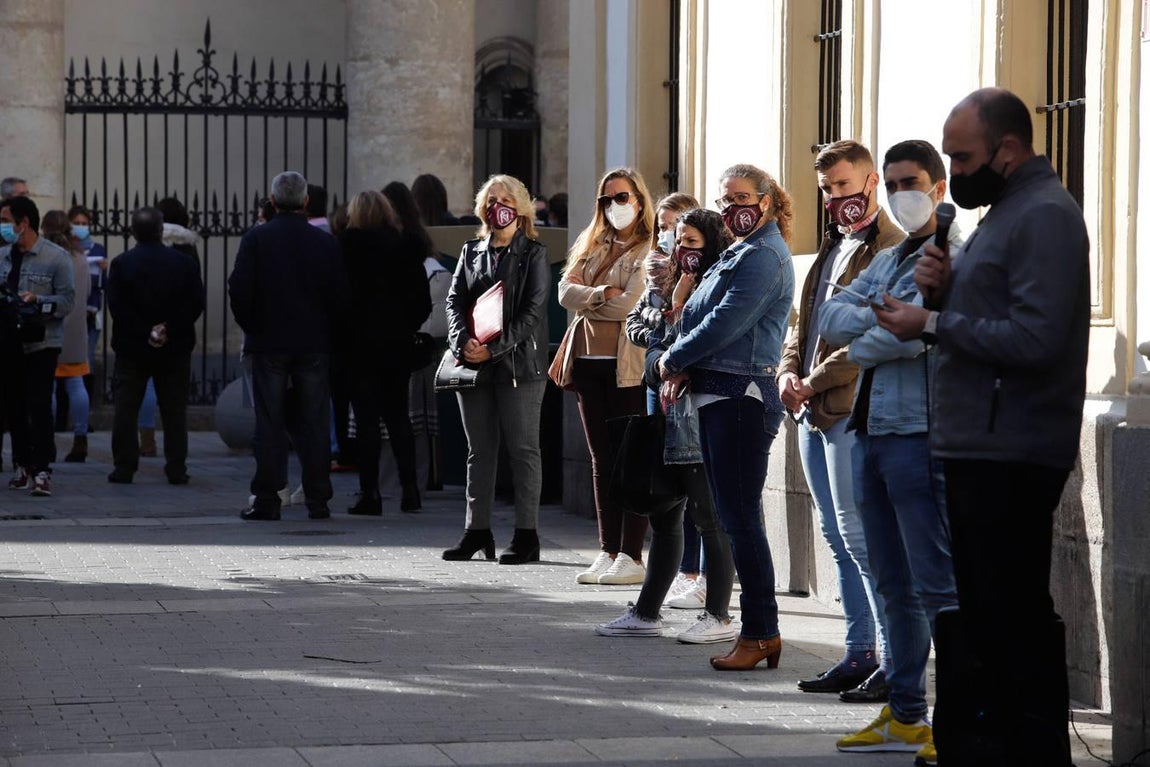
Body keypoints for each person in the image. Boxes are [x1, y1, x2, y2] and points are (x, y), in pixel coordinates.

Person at [875, 88, 1089, 767]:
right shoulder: (1003, 214)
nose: (954, 172)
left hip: (1013, 451)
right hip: (978, 444)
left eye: (962, 158)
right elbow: (992, 318)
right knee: (990, 615)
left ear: (1008, 149)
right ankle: (993, 745)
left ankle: (1027, 748)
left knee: (1013, 615)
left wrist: (931, 321)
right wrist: (941, 290)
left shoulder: (1045, 215)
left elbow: (1037, 338)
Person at [820, 140, 963, 762]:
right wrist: (886, 324)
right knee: (891, 579)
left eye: (913, 181)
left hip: (919, 433)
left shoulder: (952, 252)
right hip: (871, 429)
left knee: (935, 582)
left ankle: (956, 721)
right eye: (895, 180)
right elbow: (831, 316)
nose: (902, 192)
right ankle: (907, 713)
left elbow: (912, 339)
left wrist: (882, 331)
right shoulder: (892, 254)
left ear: (937, 187)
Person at [657, 164, 795, 671]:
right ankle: (761, 630)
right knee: (737, 518)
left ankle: (761, 631)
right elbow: (696, 314)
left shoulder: (764, 257)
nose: (732, 207)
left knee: (739, 520)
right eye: (724, 199)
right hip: (718, 395)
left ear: (765, 200)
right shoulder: (737, 252)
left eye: (741, 197)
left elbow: (724, 322)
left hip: (743, 399)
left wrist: (672, 360)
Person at [778, 139, 899, 700]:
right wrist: (785, 373)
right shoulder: (831, 245)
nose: (836, 199)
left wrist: (812, 381)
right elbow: (800, 324)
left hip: (849, 409)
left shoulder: (892, 247)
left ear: (871, 182)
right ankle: (858, 652)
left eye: (845, 186)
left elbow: (869, 338)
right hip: (808, 409)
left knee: (862, 537)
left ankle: (893, 661)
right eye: (827, 190)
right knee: (835, 534)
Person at [598, 207, 737, 645]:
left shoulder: (721, 279)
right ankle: (646, 612)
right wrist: (667, 321)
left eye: (693, 243)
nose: (683, 251)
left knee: (707, 514)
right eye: (680, 242)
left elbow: (712, 335)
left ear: (711, 243)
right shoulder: (664, 278)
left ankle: (718, 613)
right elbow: (638, 327)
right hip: (662, 402)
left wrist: (675, 340)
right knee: (665, 511)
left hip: (699, 406)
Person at [229, 171, 350, 521]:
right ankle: (318, 499)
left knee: (269, 421)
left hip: (269, 343)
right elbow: (339, 297)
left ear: (272, 199)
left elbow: (239, 289)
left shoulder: (257, 239)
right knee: (314, 420)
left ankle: (268, 498)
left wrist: (253, 326)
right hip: (313, 343)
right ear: (306, 201)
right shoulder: (325, 243)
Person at [441, 174, 549, 565]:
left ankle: (526, 534)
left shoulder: (534, 254)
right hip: (474, 365)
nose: (496, 206)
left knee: (523, 450)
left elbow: (533, 312)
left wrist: (495, 349)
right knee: (479, 451)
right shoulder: (472, 251)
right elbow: (454, 301)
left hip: (519, 366)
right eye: (490, 199)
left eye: (504, 199)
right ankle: (477, 531)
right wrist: (461, 342)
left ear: (520, 208)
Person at [558, 168, 653, 586]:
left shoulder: (649, 249)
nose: (614, 206)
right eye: (606, 199)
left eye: (622, 197)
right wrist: (600, 295)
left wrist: (590, 298)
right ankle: (607, 548)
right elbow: (564, 292)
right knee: (601, 459)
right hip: (586, 362)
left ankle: (632, 554)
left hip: (625, 365)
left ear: (638, 199)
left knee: (630, 458)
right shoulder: (593, 243)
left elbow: (629, 306)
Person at [624, 192, 711, 608]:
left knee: (699, 495)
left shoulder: (707, 275)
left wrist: (669, 331)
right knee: (664, 491)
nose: (670, 238)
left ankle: (701, 578)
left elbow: (694, 333)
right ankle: (668, 585)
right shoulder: (657, 272)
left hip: (692, 391)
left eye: (678, 229)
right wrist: (661, 339)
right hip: (657, 382)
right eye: (663, 227)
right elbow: (637, 323)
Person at [337, 191, 430, 515]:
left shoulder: (347, 249)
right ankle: (410, 491)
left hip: (358, 345)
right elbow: (422, 301)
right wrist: (404, 326)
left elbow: (338, 299)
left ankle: (370, 493)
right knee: (397, 416)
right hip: (395, 345)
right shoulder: (405, 248)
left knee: (366, 421)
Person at [105, 208, 204, 484]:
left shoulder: (123, 263)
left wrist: (145, 330)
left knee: (127, 407)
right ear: (161, 230)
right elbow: (195, 303)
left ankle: (124, 466)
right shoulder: (183, 263)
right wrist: (167, 328)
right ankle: (176, 467)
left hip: (133, 347)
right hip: (175, 346)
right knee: (174, 409)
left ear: (133, 231)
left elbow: (118, 307)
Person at [0, 196, 75, 496]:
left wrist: (38, 301)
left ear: (24, 223)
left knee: (39, 405)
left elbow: (67, 301)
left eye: (6, 221)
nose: (3, 227)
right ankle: (22, 465)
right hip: (8, 342)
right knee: (13, 405)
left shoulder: (56, 258)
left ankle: (42, 469)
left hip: (43, 342)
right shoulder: (3, 257)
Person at [384, 180, 452, 492]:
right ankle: (416, 483)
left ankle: (397, 483)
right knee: (415, 420)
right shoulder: (425, 253)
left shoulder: (397, 251)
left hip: (400, 343)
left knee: (398, 418)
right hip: (422, 346)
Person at [41, 211, 92, 463]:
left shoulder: (46, 257)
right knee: (76, 384)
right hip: (76, 332)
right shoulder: (81, 258)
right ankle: (81, 438)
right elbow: (88, 291)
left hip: (49, 329)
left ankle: (46, 437)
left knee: (47, 387)